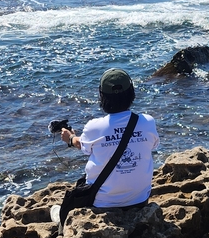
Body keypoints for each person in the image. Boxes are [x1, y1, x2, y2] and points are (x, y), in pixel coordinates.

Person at [57, 68, 160, 211]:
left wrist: (70, 138)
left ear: (101, 95)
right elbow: (152, 145)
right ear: (131, 93)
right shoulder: (147, 122)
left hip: (102, 203)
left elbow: (80, 144)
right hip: (140, 199)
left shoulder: (94, 127)